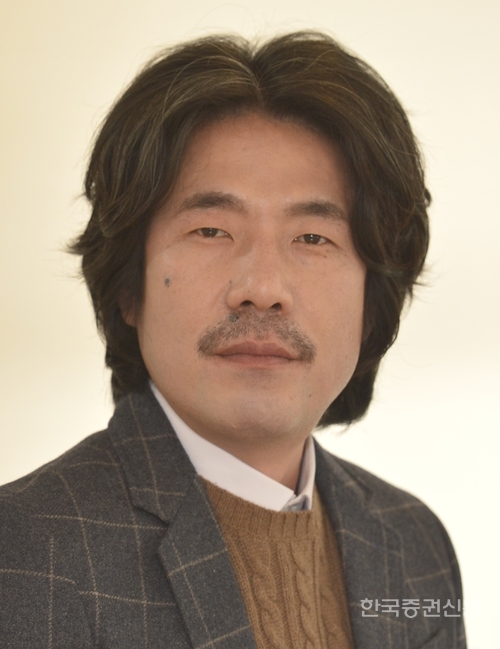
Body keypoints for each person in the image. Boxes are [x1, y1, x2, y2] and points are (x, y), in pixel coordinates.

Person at [0, 32, 466, 648]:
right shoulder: (26, 553)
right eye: (212, 230)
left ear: (372, 302)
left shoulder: (415, 546)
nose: (263, 289)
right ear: (129, 287)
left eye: (313, 238)